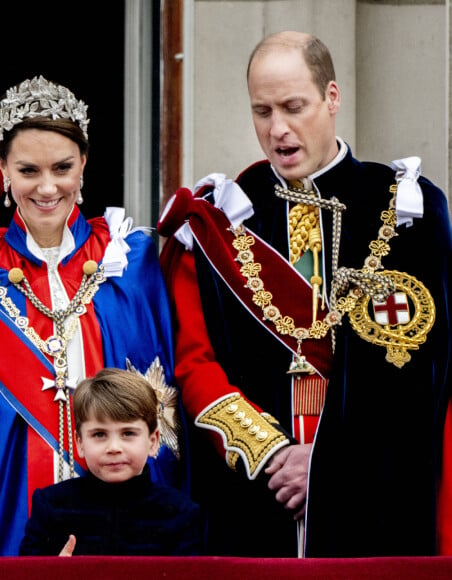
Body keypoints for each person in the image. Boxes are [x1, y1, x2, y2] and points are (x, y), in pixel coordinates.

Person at [157, 30, 452, 558]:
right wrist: (273, 456)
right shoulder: (220, 219)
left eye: (294, 107)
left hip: (373, 492)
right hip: (257, 493)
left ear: (332, 97)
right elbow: (195, 363)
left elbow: (422, 368)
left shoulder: (407, 209)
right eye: (262, 111)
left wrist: (325, 464)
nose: (278, 130)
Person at [0, 75, 186, 557]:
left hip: (123, 503)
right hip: (4, 499)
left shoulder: (128, 259)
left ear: (84, 165)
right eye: (29, 170)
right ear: (5, 170)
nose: (47, 187)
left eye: (62, 168)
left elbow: (163, 401)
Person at [19, 367, 204, 556]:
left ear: (153, 441)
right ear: (80, 443)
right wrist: (49, 574)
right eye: (99, 434)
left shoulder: (180, 513)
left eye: (128, 433)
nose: (114, 447)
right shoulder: (50, 506)